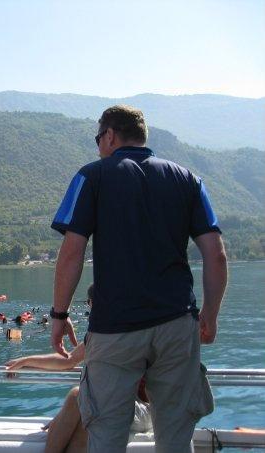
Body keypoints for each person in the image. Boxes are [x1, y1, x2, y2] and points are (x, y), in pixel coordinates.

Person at [49, 105, 227, 453]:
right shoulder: (187, 179)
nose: (98, 145)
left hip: (115, 328)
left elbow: (72, 253)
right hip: (177, 323)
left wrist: (59, 315)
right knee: (176, 439)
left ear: (110, 135)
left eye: (98, 138)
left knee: (106, 435)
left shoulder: (92, 176)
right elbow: (216, 254)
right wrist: (211, 314)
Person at [5, 342, 152, 453]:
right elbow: (68, 360)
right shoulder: (101, 329)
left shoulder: (137, 331)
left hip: (138, 408)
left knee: (80, 397)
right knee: (86, 408)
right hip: (100, 404)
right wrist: (25, 361)